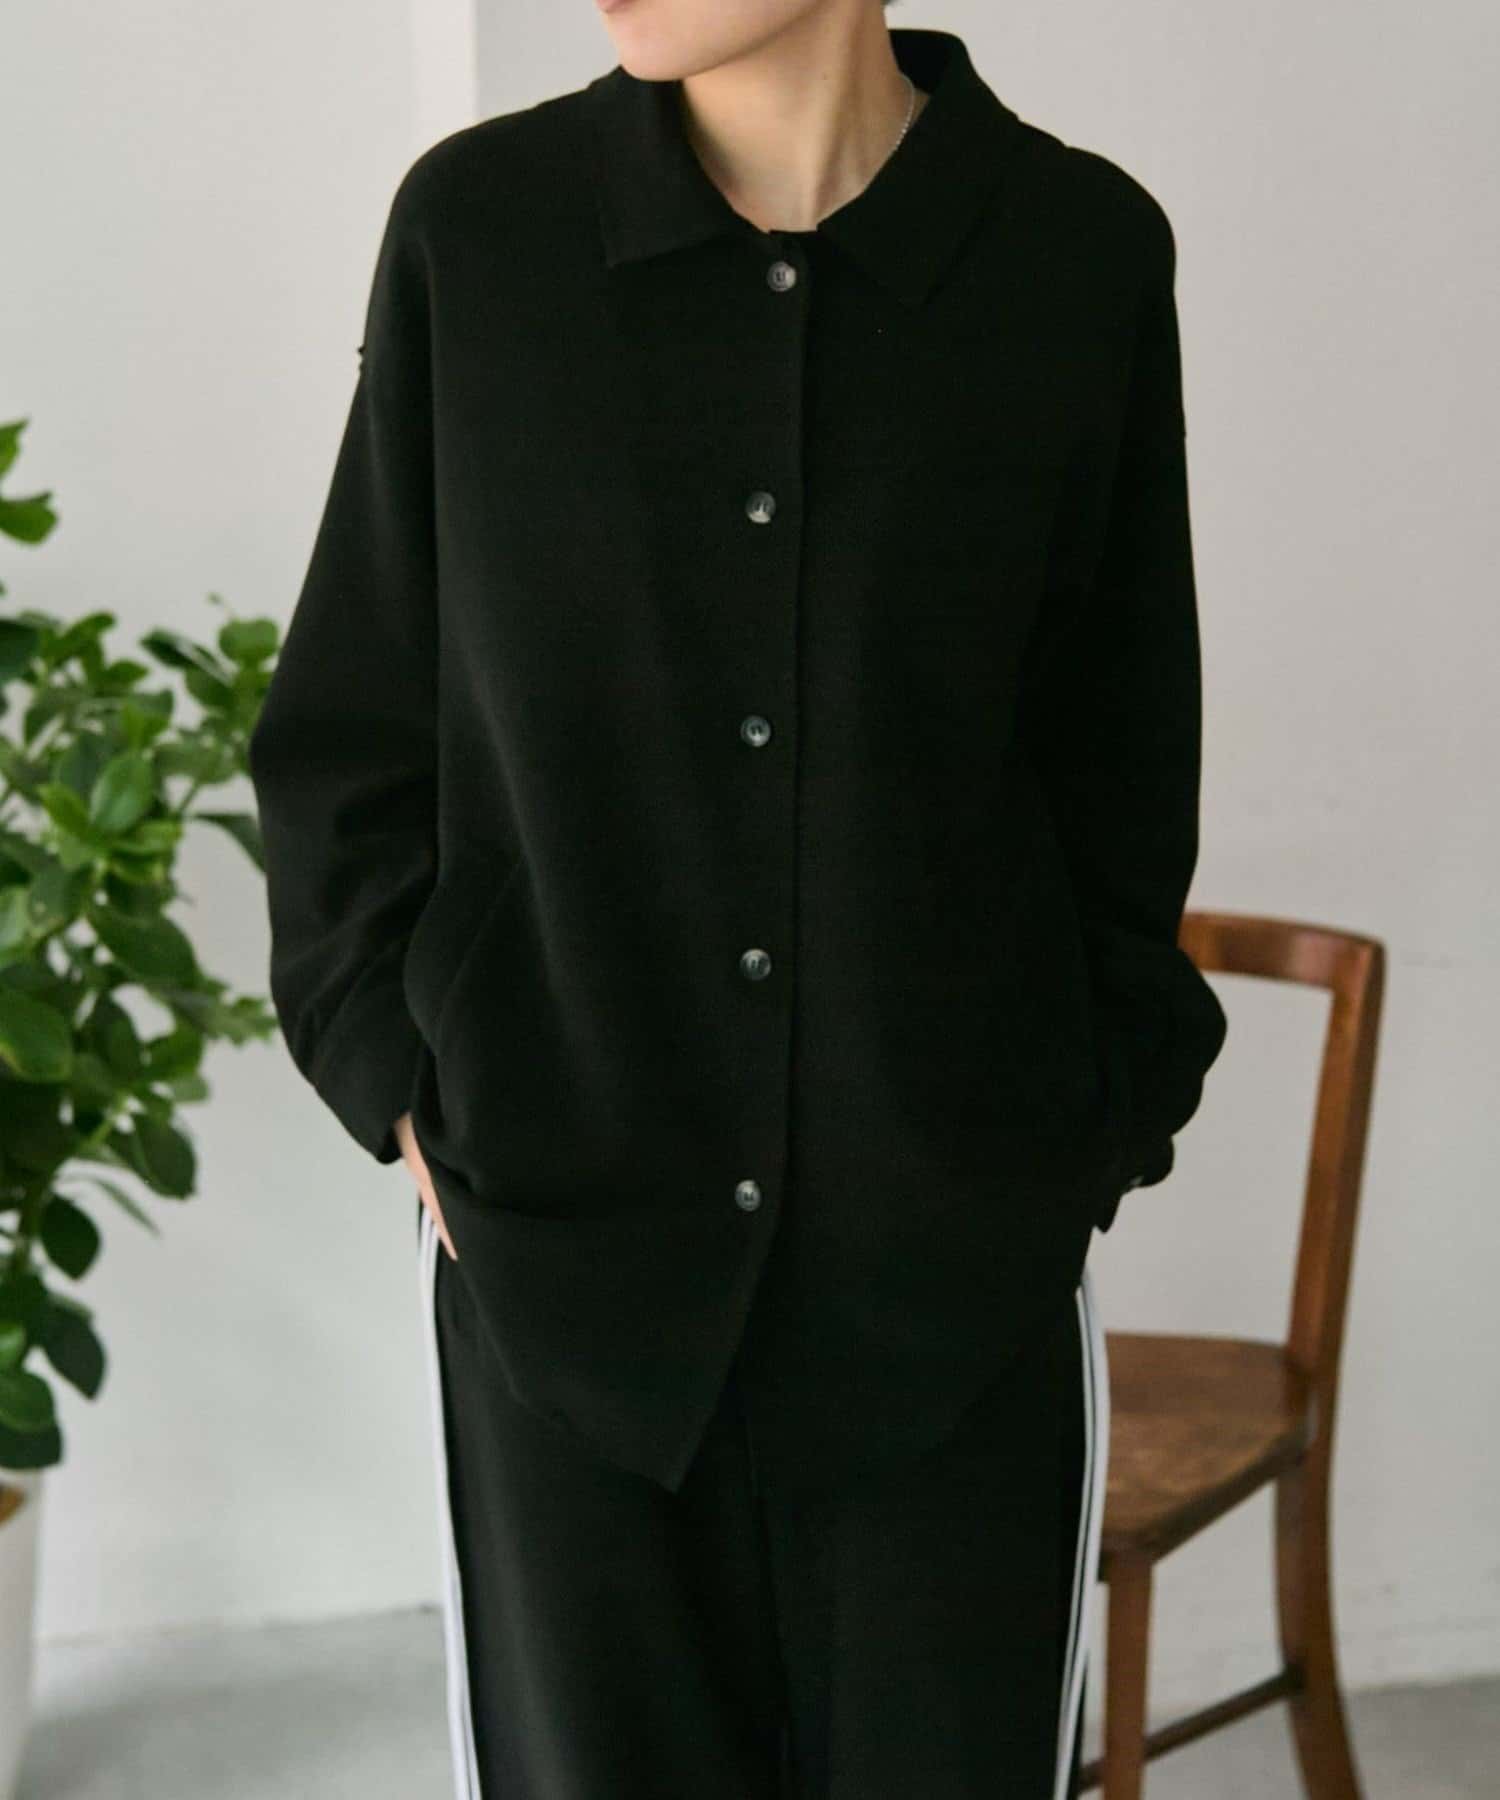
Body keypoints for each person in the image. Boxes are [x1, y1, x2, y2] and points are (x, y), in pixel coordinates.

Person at [247, 3, 1228, 1794]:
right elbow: (352, 727)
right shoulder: (482, 231)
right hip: (561, 1272)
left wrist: (1085, 1129)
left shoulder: (1077, 253)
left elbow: (1119, 758)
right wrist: (400, 1078)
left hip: (959, 1293)